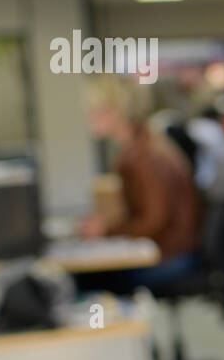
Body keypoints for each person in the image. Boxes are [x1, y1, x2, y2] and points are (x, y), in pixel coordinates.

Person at [74, 76, 203, 294]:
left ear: (116, 112)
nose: (89, 118)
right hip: (178, 251)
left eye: (96, 111)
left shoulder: (142, 157)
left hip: (172, 257)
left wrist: (107, 230)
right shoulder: (147, 144)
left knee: (83, 280)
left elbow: (154, 221)